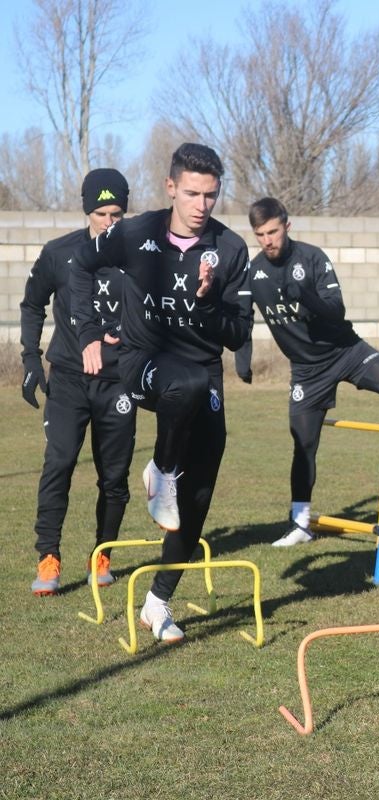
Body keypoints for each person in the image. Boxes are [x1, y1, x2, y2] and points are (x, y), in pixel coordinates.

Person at [72, 143, 252, 642]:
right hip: (142, 362)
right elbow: (80, 267)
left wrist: (210, 300)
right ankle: (161, 468)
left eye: (211, 195)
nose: (201, 205)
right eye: (191, 193)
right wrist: (88, 331)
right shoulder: (133, 233)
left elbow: (238, 332)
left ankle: (158, 602)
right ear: (171, 187)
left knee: (198, 492)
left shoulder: (231, 249)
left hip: (201, 373)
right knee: (184, 384)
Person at [246, 197, 379, 548]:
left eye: (273, 231)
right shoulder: (253, 272)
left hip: (346, 351)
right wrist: (243, 361)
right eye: (260, 235)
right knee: (303, 445)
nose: (268, 240)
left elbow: (336, 310)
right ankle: (301, 525)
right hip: (306, 370)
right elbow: (240, 316)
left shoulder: (312, 258)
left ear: (287, 226)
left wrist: (306, 298)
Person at [20, 168, 137, 595]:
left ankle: (102, 554)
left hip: (118, 381)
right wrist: (31, 358)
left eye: (118, 213)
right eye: (102, 212)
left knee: (114, 476)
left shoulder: (139, 256)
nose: (110, 221)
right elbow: (32, 305)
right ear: (88, 210)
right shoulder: (59, 253)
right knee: (60, 462)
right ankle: (48, 557)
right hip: (69, 378)